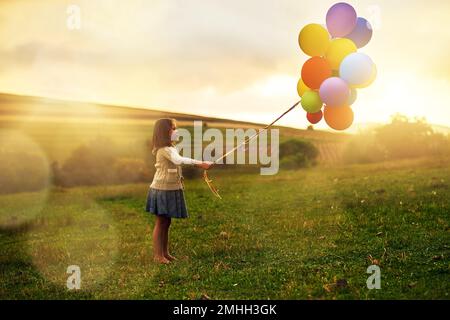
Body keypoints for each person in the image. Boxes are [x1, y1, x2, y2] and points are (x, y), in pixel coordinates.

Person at [146, 118, 212, 264]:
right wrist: (200, 163)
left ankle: (165, 253)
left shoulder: (170, 148)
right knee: (161, 222)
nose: (176, 131)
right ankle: (158, 255)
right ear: (165, 132)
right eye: (173, 129)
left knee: (166, 222)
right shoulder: (164, 150)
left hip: (170, 189)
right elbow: (178, 161)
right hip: (162, 189)